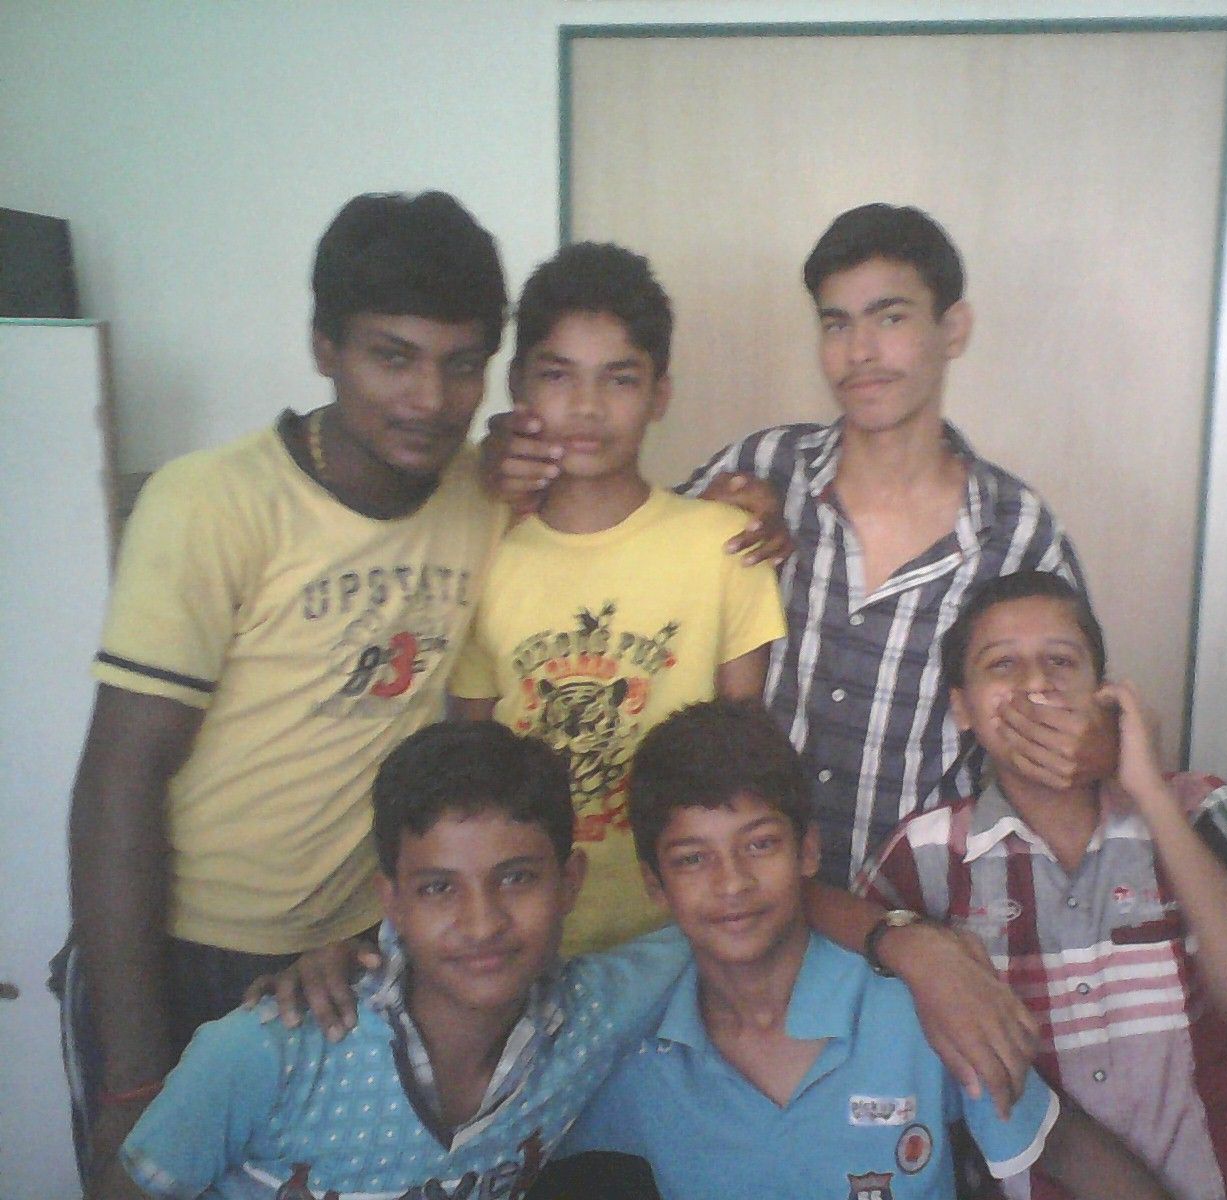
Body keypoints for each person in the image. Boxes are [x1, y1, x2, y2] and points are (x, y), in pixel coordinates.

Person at [62, 190, 509, 1185]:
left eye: (461, 363)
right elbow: (120, 777)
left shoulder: (481, 492)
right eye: (392, 356)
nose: (429, 398)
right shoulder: (211, 503)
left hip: (350, 956)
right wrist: (133, 1076)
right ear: (324, 346)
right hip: (172, 951)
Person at [488, 204, 1107, 888]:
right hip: (744, 905)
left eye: (890, 318)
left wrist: (1102, 742)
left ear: (953, 329)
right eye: (836, 323)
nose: (860, 351)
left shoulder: (1017, 532)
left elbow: (1086, 720)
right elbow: (608, 551)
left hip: (923, 906)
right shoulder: (761, 469)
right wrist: (500, 467)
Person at [555, 698, 1175, 1200]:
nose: (732, 883)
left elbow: (1063, 1143)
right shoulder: (628, 1044)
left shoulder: (919, 1007)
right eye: (693, 859)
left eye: (760, 844)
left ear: (808, 851)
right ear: (654, 884)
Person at [96, 720, 690, 1200]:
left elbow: (712, 931)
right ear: (393, 902)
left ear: (569, 882)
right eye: (438, 888)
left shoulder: (589, 1016)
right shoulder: (269, 1051)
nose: (482, 923)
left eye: (516, 878)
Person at [855, 572, 1227, 1200]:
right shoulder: (923, 855)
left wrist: (1148, 790)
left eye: (1061, 662)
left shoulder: (1198, 807)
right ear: (962, 707)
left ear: (1104, 692)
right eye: (1002, 665)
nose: (1036, 684)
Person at [448, 241, 786, 955]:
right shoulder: (483, 556)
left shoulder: (725, 546)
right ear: (517, 385)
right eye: (558, 375)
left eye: (620, 379)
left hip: (677, 932)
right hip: (525, 932)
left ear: (660, 393)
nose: (586, 407)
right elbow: (475, 768)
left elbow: (740, 760)